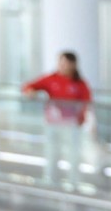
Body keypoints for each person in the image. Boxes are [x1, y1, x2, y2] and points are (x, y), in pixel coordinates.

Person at [22, 51, 92, 188]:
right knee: (52, 153)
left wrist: (83, 119)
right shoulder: (52, 78)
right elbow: (29, 86)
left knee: (73, 155)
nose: (62, 66)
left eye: (65, 63)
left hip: (71, 125)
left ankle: (73, 183)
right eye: (60, 62)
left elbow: (87, 102)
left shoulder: (79, 83)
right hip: (53, 124)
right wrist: (30, 92)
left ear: (73, 65)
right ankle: (51, 182)